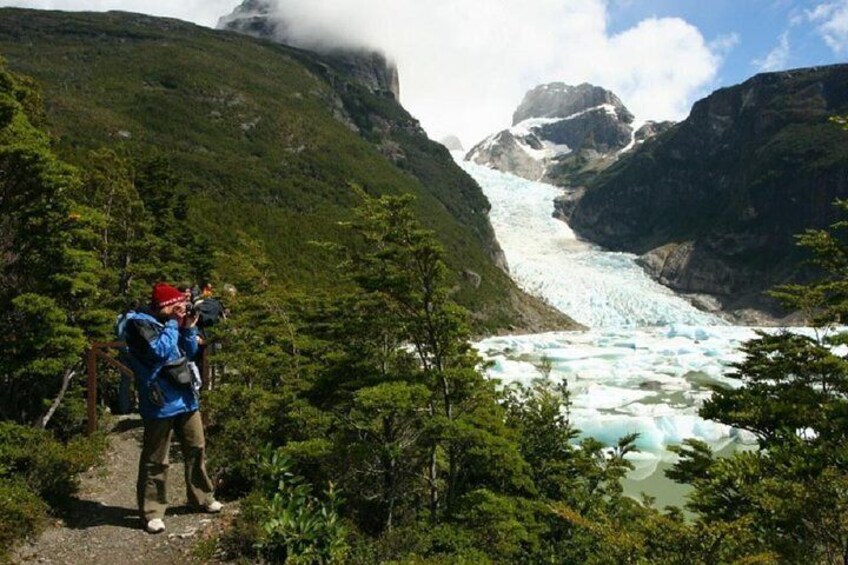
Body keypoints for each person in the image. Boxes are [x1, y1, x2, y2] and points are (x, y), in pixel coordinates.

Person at [122, 282, 222, 534]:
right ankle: (152, 512)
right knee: (157, 458)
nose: (180, 308)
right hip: (159, 400)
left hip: (186, 397)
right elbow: (160, 351)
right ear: (163, 306)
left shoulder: (173, 322)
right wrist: (173, 324)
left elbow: (188, 352)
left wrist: (187, 328)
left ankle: (202, 497)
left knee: (196, 447)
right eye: (174, 305)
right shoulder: (139, 324)